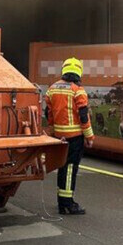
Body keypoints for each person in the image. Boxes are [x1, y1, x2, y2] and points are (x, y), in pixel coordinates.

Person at [45, 57, 94, 215]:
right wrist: (89, 136)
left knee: (62, 167)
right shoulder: (78, 91)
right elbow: (84, 116)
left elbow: (49, 114)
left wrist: (53, 132)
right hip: (74, 136)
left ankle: (62, 200)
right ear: (78, 72)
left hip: (59, 135)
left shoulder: (52, 89)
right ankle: (67, 204)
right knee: (70, 168)